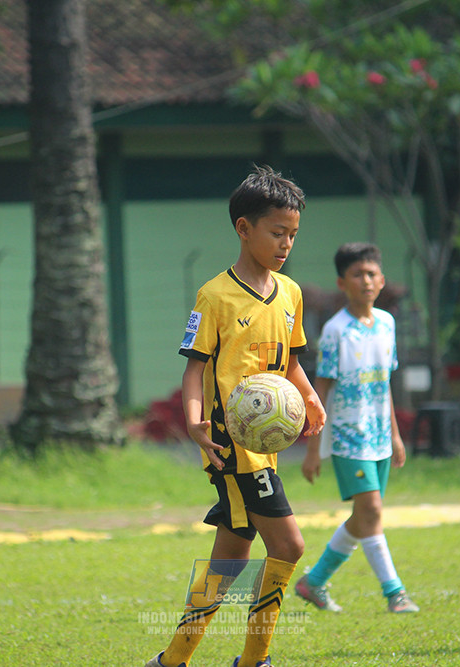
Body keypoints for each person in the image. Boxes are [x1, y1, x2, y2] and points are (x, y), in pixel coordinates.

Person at [145, 165, 326, 667]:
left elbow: (289, 361)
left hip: (263, 450)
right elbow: (193, 369)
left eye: (292, 234)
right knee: (289, 545)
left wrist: (308, 395)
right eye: (276, 232)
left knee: (230, 557)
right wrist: (194, 421)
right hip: (232, 446)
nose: (286, 243)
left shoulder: (290, 293)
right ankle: (254, 662)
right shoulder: (214, 295)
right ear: (244, 229)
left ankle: (171, 660)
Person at [295, 242, 419, 615]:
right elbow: (323, 389)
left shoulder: (387, 324)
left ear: (381, 280)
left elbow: (383, 386)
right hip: (348, 438)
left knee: (364, 517)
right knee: (373, 511)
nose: (365, 281)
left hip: (380, 435)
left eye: (371, 274)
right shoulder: (335, 331)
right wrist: (314, 448)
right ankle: (395, 593)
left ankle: (312, 582)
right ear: (342, 282)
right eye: (356, 275)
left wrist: (396, 436)